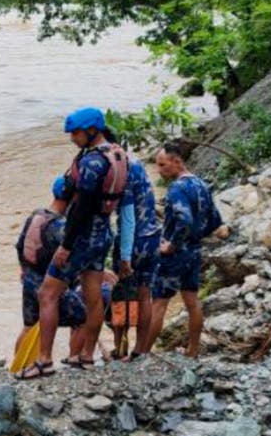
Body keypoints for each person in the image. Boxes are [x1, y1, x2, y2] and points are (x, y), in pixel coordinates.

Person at [18, 108, 134, 379]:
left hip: (82, 235)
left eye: (76, 133)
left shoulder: (93, 161)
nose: (72, 138)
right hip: (103, 231)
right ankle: (86, 357)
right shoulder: (117, 154)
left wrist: (66, 244)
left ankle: (44, 360)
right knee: (93, 296)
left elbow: (81, 205)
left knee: (47, 294)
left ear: (92, 130)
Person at [142, 142, 230, 358]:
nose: (159, 171)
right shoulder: (201, 184)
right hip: (194, 252)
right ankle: (193, 349)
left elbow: (184, 219)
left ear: (177, 161)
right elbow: (215, 221)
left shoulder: (177, 188)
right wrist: (196, 238)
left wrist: (171, 245)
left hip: (174, 255)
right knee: (192, 302)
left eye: (162, 165)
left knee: (159, 304)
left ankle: (143, 353)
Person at [15, 176, 90, 360]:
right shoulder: (60, 227)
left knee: (29, 325)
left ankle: (17, 363)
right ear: (73, 198)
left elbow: (19, 245)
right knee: (83, 318)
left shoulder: (35, 215)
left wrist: (24, 270)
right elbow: (75, 257)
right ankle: (73, 360)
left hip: (29, 280)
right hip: (49, 284)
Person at [108, 146, 162, 359]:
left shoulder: (123, 170)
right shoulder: (137, 163)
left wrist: (124, 257)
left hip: (134, 241)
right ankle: (140, 349)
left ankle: (120, 348)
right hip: (152, 237)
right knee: (144, 295)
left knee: (121, 295)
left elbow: (128, 219)